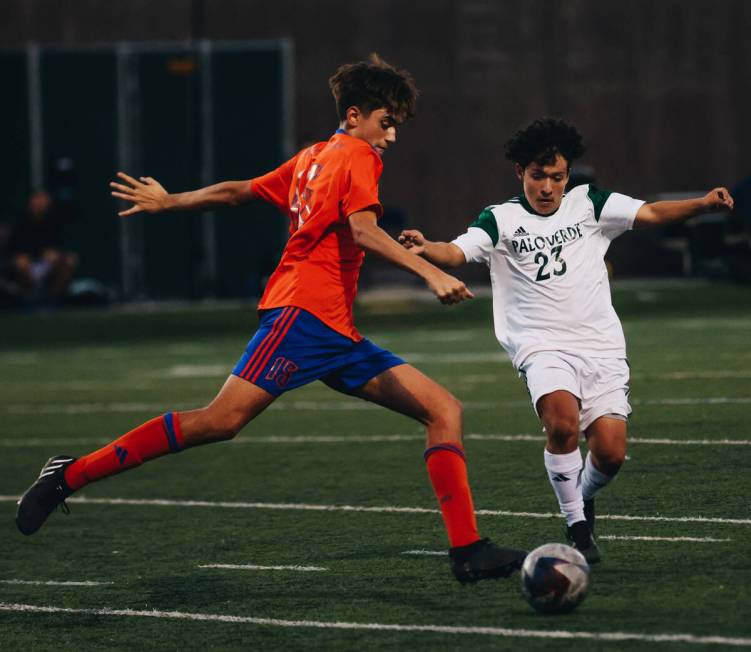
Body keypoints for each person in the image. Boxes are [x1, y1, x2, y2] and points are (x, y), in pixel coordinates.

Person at [16, 55, 527, 584]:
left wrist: (172, 203)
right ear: (354, 116)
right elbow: (364, 231)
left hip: (335, 331)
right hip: (302, 316)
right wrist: (430, 273)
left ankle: (467, 550)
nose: (392, 136)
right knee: (219, 421)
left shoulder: (313, 156)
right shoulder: (356, 156)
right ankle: (69, 474)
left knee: (443, 409)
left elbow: (241, 190)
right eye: (386, 121)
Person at [399, 118, 734, 563]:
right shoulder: (500, 219)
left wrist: (704, 203)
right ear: (521, 172)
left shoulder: (589, 204)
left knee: (611, 454)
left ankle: (582, 493)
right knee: (561, 424)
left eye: (557, 176)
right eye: (538, 176)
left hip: (600, 346)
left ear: (567, 175)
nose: (548, 186)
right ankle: (577, 526)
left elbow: (650, 213)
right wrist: (427, 247)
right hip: (540, 345)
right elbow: (458, 251)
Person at [8, 190, 78, 305]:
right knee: (21, 263)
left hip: (47, 264)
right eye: (38, 199)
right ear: (31, 201)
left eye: (44, 200)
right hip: (28, 263)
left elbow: (61, 245)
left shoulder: (54, 219)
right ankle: (27, 299)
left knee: (70, 261)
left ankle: (53, 298)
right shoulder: (21, 220)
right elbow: (14, 248)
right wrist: (25, 257)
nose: (41, 203)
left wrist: (53, 253)